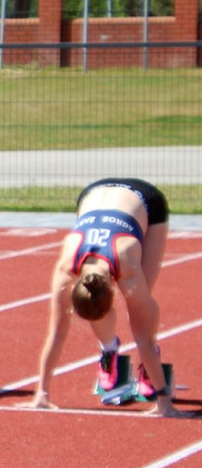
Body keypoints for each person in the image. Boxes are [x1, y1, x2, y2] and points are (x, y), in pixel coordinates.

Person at [29, 178, 186, 417]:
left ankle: (150, 367)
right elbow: (56, 332)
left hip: (146, 201)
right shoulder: (66, 266)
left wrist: (164, 400)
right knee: (108, 313)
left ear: (114, 291)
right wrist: (42, 393)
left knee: (144, 314)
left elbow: (142, 336)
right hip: (93, 195)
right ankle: (108, 349)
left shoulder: (128, 262)